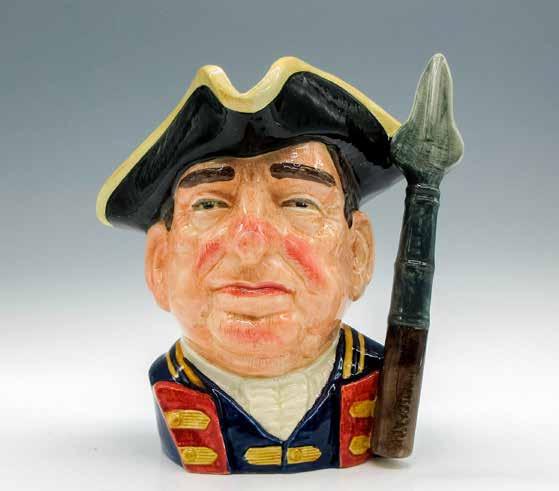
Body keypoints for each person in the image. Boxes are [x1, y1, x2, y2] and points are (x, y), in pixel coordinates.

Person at [96, 56, 402, 474]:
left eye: (299, 203)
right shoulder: (171, 383)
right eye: (210, 204)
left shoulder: (381, 375)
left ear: (358, 255)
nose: (251, 244)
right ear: (159, 263)